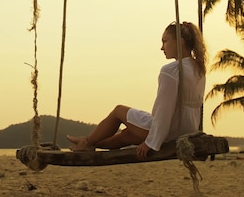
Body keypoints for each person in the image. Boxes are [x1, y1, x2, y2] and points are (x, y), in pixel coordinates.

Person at [67, 21, 207, 160]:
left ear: (180, 42)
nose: (162, 47)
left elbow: (164, 111)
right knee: (127, 135)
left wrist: (151, 142)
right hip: (187, 130)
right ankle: (88, 143)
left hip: (169, 131)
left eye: (165, 41)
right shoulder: (199, 69)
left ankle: (86, 142)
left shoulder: (171, 70)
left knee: (118, 111)